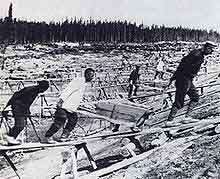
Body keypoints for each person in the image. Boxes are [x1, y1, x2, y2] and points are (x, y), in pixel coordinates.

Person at [166, 41, 217, 122]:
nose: (211, 52)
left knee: (195, 97)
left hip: (188, 79)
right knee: (179, 101)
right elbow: (182, 65)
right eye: (211, 50)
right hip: (183, 79)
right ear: (207, 48)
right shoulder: (196, 55)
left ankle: (186, 117)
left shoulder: (199, 55)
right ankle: (169, 121)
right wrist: (174, 78)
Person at [44, 68, 95, 143]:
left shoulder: (84, 83)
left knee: (73, 120)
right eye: (91, 76)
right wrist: (61, 100)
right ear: (87, 74)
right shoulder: (79, 81)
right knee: (60, 120)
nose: (92, 78)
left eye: (93, 76)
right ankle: (48, 136)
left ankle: (64, 136)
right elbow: (68, 90)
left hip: (70, 107)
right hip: (64, 105)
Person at [2, 80, 49, 145]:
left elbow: (27, 101)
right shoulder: (30, 89)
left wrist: (27, 110)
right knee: (20, 125)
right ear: (42, 87)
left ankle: (10, 140)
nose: (44, 91)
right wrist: (7, 106)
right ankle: (9, 138)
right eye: (44, 89)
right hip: (17, 107)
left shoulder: (36, 91)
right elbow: (16, 95)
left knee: (21, 125)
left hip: (22, 108)